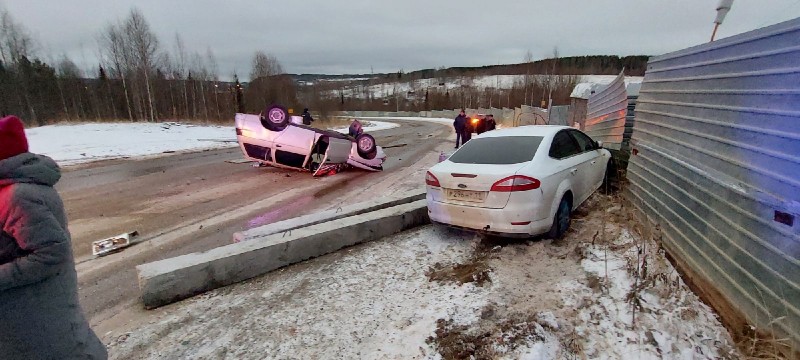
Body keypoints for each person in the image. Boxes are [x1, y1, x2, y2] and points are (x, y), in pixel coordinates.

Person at [0, 116, 107, 359]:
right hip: (28, 312)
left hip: (33, 314)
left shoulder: (18, 195)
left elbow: (51, 253)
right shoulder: (15, 187)